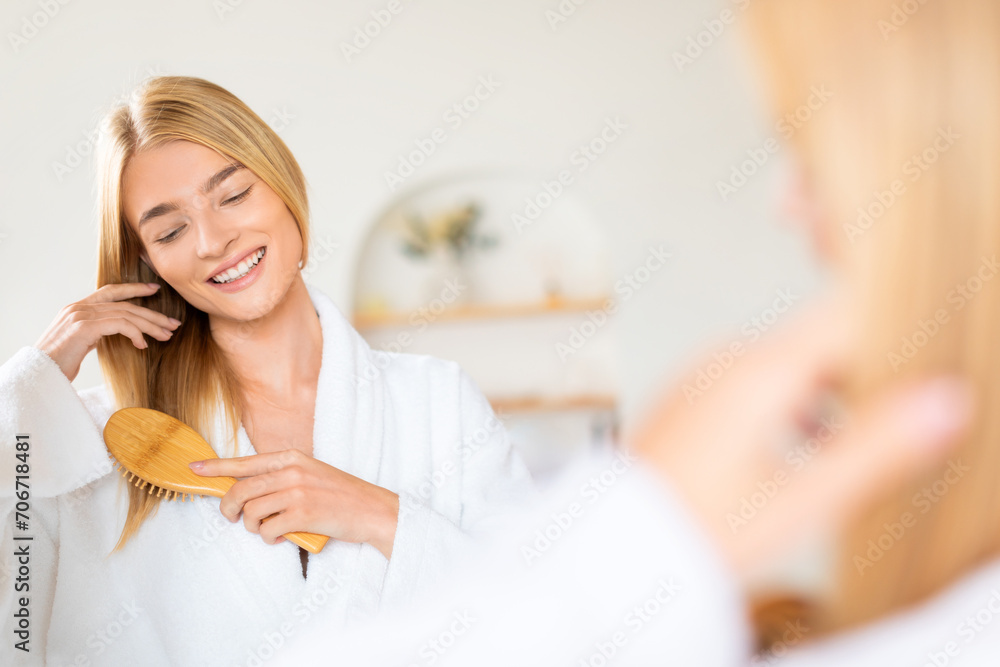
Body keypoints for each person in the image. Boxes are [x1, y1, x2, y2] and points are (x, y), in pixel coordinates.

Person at [269, 0, 1000, 663]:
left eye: (807, 147)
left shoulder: (436, 394)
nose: (785, 200)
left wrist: (635, 546)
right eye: (164, 228)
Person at [0, 76, 533, 666]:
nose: (212, 240)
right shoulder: (90, 447)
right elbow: (14, 624)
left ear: (283, 186)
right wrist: (33, 387)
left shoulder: (436, 400)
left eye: (233, 196)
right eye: (170, 230)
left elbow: (543, 617)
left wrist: (379, 515)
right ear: (146, 262)